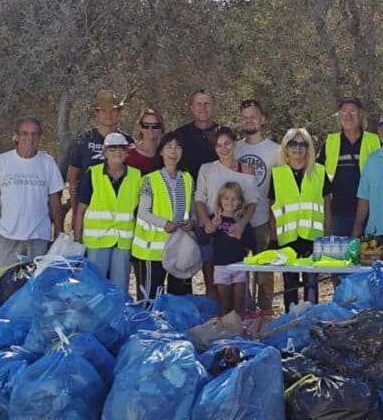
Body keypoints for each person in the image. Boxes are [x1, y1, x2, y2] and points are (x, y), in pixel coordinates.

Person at [0, 116, 64, 273]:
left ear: (39, 137)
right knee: (4, 287)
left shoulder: (48, 163)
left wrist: (58, 232)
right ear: (16, 136)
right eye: (25, 133)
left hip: (38, 237)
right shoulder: (1, 161)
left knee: (35, 288)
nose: (30, 138)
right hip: (7, 237)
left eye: (34, 134)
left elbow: (55, 202)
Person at [195, 126, 261, 300]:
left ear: (234, 143)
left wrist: (241, 224)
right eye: (218, 146)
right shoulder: (206, 169)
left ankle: (241, 319)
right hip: (211, 232)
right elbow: (199, 200)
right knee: (213, 283)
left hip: (236, 233)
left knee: (239, 283)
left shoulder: (246, 170)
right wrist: (206, 223)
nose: (224, 149)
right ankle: (219, 320)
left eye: (227, 144)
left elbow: (252, 202)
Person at [269, 128, 329, 307]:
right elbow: (271, 208)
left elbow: (327, 205)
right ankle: (290, 323)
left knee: (312, 286)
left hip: (313, 239)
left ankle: (310, 324)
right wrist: (273, 238)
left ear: (309, 148)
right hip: (287, 240)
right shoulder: (277, 174)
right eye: (293, 143)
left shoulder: (319, 171)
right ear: (285, 148)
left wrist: (327, 235)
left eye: (303, 144)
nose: (298, 148)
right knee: (290, 286)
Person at [132, 131, 196, 299]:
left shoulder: (188, 178)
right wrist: (164, 223)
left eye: (177, 147)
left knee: (179, 299)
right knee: (150, 299)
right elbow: (143, 213)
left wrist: (192, 221)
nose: (173, 151)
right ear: (161, 151)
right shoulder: (150, 180)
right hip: (152, 251)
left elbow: (192, 210)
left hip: (178, 249)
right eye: (169, 147)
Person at [73, 132, 141, 290]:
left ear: (127, 151)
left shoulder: (136, 176)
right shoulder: (93, 174)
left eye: (122, 148)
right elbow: (81, 209)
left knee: (119, 287)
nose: (118, 152)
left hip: (123, 241)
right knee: (95, 286)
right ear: (104, 152)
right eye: (112, 148)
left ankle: (116, 315)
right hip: (97, 241)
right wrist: (77, 238)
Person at [233, 98, 281, 313]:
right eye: (245, 118)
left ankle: (267, 312)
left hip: (263, 219)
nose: (249, 121)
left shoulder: (276, 150)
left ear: (263, 119)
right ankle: (246, 311)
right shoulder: (234, 148)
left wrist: (275, 220)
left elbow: (280, 188)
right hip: (238, 221)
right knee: (240, 271)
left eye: (253, 117)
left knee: (264, 274)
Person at [318, 97, 381, 238]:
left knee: (368, 255)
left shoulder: (375, 140)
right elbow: (317, 174)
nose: (348, 115)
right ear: (338, 116)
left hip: (371, 212)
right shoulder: (330, 142)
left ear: (361, 115)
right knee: (339, 257)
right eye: (344, 111)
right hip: (337, 213)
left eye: (353, 111)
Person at [64, 89, 133, 212]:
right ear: (96, 114)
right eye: (103, 111)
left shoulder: (128, 141)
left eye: (113, 110)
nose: (108, 114)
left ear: (119, 112)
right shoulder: (83, 141)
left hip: (120, 209)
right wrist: (75, 214)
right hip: (88, 209)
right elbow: (73, 181)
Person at [201, 182, 256, 315]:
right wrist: (211, 227)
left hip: (239, 267)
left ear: (240, 202)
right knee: (224, 305)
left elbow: (252, 243)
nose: (229, 202)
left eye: (234, 199)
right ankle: (226, 331)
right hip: (220, 268)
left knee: (239, 307)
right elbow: (203, 240)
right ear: (220, 200)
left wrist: (240, 236)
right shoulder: (214, 219)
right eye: (226, 198)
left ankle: (239, 332)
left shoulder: (242, 222)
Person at [173, 88, 221, 181]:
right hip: (187, 190)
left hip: (217, 191)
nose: (203, 108)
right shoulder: (180, 135)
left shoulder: (223, 134)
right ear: (192, 108)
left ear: (214, 107)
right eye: (199, 104)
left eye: (207, 104)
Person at [126, 108, 164, 175]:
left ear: (161, 127)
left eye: (155, 125)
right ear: (140, 127)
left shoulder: (167, 155)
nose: (150, 129)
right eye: (146, 125)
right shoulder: (128, 154)